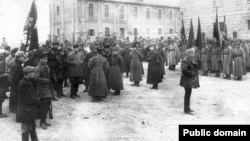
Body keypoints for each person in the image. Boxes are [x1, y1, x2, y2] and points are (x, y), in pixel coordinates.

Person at [16, 66, 39, 141]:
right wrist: (37, 100)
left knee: (32, 126)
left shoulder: (27, 81)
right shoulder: (25, 83)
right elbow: (28, 98)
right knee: (26, 128)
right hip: (26, 109)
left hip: (28, 109)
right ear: (28, 73)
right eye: (32, 72)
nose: (33, 74)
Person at [34, 53, 53, 129]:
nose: (46, 60)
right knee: (43, 107)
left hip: (47, 89)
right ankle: (42, 122)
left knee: (47, 106)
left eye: (46, 59)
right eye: (44, 59)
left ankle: (44, 120)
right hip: (42, 90)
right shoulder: (38, 68)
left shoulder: (46, 66)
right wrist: (45, 80)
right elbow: (35, 78)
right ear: (40, 59)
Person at [180, 48, 200, 115]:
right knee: (187, 94)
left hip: (188, 80)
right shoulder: (186, 60)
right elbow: (184, 70)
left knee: (188, 94)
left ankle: (188, 108)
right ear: (189, 54)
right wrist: (191, 73)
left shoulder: (189, 59)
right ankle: (186, 109)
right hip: (186, 80)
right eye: (192, 53)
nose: (193, 55)